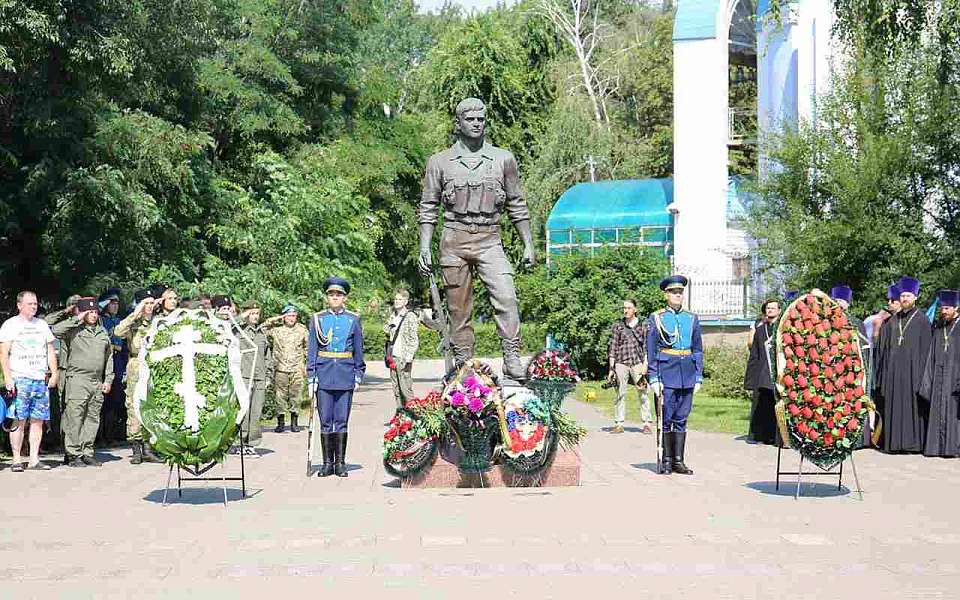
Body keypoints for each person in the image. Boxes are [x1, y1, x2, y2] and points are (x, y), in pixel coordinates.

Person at [417, 97, 537, 382]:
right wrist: (424, 246)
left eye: (481, 119)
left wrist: (528, 244)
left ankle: (511, 356)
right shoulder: (439, 162)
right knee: (459, 309)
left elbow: (517, 204)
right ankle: (463, 364)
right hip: (454, 241)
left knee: (507, 297)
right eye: (470, 119)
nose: (477, 123)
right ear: (458, 124)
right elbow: (428, 207)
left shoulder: (503, 159)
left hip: (490, 239)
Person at [307, 277, 366, 477]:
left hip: (345, 374)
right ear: (327, 297)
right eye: (331, 295)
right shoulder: (318, 319)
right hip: (323, 374)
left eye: (338, 295)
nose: (335, 298)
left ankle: (340, 463)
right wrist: (311, 375)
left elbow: (359, 349)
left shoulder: (353, 319)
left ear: (345, 298)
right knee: (325, 420)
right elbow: (312, 349)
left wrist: (358, 374)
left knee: (341, 420)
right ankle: (326, 464)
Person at [647, 276, 704, 475]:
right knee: (666, 418)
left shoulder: (691, 318)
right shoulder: (657, 318)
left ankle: (679, 461)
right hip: (666, 373)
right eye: (673, 292)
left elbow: (697, 348)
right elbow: (652, 349)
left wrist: (698, 376)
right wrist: (653, 378)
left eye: (680, 292)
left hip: (687, 373)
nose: (677, 295)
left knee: (681, 417)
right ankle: (667, 460)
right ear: (666, 295)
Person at [50, 297, 114, 467]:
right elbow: (54, 330)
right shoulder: (73, 329)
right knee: (75, 417)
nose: (93, 315)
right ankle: (73, 454)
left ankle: (87, 451)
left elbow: (109, 358)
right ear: (83, 313)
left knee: (92, 418)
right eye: (89, 312)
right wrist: (77, 317)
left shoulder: (102, 332)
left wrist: (108, 379)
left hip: (96, 380)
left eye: (95, 312)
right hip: (77, 379)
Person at [0, 291, 59, 471]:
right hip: (20, 378)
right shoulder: (10, 325)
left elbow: (50, 350)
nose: (34, 306)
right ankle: (17, 459)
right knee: (19, 420)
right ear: (19, 305)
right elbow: (3, 353)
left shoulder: (41, 325)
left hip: (39, 379)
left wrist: (55, 373)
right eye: (30, 304)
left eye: (35, 303)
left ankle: (34, 459)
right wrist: (8, 378)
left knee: (38, 420)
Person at [874, 276, 932, 453]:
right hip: (893, 375)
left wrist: (923, 379)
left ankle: (912, 445)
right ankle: (894, 444)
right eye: (903, 296)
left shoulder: (923, 322)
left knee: (912, 410)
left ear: (916, 297)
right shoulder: (892, 322)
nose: (905, 299)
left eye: (908, 296)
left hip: (914, 375)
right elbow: (884, 351)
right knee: (894, 407)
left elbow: (927, 353)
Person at [114, 289, 161, 464]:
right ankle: (136, 448)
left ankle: (149, 448)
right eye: (145, 303)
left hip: (154, 366)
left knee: (152, 406)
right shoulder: (134, 322)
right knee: (133, 406)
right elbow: (118, 332)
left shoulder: (158, 322)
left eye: (151, 303)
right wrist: (135, 313)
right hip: (136, 366)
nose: (149, 307)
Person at [919, 290, 960, 458]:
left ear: (957, 308)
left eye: (948, 308)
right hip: (938, 376)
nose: (944, 311)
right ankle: (936, 447)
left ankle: (953, 448)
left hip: (955, 377)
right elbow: (931, 357)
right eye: (942, 308)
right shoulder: (939, 328)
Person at [606, 298, 653, 435]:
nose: (626, 310)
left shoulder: (643, 325)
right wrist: (611, 368)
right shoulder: (618, 326)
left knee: (643, 392)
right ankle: (619, 423)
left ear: (635, 309)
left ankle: (646, 423)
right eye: (624, 308)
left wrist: (646, 364)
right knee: (620, 393)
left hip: (638, 363)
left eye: (629, 308)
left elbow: (646, 346)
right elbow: (613, 347)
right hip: (621, 363)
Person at [42, 294, 81, 453]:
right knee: (57, 407)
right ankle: (56, 440)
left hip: (77, 369)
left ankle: (71, 441)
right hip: (60, 370)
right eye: (75, 305)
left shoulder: (85, 322)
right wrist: (66, 312)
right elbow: (47, 323)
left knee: (72, 408)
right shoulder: (61, 323)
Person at [263, 304, 309, 433]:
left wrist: (307, 365)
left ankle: (294, 421)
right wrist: (276, 318)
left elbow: (308, 348)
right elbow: (262, 328)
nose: (291, 318)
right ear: (284, 317)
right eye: (288, 315)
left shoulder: (302, 330)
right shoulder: (276, 330)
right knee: (280, 396)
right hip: (280, 367)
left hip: (297, 368)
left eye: (294, 316)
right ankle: (281, 422)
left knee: (296, 395)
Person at [236, 301, 272, 455]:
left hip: (260, 377)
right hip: (245, 376)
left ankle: (252, 443)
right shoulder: (238, 331)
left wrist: (269, 375)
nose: (255, 316)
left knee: (256, 412)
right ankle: (240, 444)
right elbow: (226, 326)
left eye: (257, 313)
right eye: (252, 313)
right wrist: (241, 317)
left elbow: (267, 356)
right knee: (244, 412)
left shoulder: (261, 333)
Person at [743, 298, 781, 445]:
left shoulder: (783, 329)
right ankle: (760, 435)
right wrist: (750, 379)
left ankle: (778, 438)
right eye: (768, 308)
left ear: (778, 310)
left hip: (778, 373)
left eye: (773, 308)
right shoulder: (760, 330)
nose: (770, 310)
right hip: (762, 372)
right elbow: (754, 355)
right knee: (761, 404)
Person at [97, 288, 127, 444]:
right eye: (112, 303)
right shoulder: (101, 320)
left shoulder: (120, 321)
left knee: (115, 401)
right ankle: (100, 436)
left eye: (117, 303)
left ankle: (110, 435)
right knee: (103, 401)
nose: (115, 306)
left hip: (118, 363)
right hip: (105, 363)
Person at [384, 288, 419, 408]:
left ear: (405, 301)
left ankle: (414, 416)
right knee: (396, 389)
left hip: (403, 357)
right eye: (396, 299)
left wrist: (409, 357)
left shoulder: (410, 316)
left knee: (406, 390)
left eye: (400, 299)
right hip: (393, 357)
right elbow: (386, 332)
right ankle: (400, 415)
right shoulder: (393, 316)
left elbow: (413, 339)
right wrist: (390, 323)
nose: (397, 301)